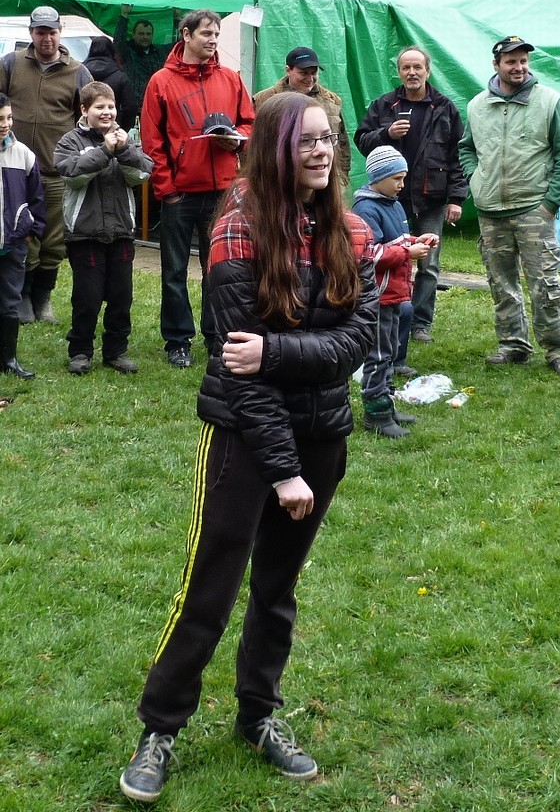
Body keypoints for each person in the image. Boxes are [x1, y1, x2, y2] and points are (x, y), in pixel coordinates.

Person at [117, 90, 378, 804]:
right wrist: (283, 470)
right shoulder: (237, 229)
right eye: (306, 140)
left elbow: (359, 341)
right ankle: (160, 726)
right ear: (274, 149)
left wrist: (278, 351)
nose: (321, 151)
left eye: (328, 139)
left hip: (324, 432)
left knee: (277, 589)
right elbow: (240, 370)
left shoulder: (353, 232)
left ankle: (258, 715)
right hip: (242, 435)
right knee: (210, 587)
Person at [140, 10, 255, 368]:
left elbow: (249, 123)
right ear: (186, 35)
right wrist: (167, 188)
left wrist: (237, 141)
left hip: (222, 192)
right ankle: (177, 341)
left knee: (218, 269)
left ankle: (217, 337)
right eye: (206, 33)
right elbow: (151, 140)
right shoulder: (161, 81)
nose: (213, 40)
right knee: (174, 270)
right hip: (180, 193)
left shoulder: (230, 79)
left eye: (216, 34)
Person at [459, 35, 560, 375]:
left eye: (523, 61)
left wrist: (551, 203)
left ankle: (556, 350)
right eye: (511, 61)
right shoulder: (477, 106)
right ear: (496, 65)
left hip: (533, 209)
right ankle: (513, 345)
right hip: (491, 211)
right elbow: (466, 147)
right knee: (501, 284)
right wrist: (475, 179)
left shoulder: (550, 101)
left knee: (546, 284)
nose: (519, 67)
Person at [354, 45, 467, 344]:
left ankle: (420, 323)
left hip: (431, 199)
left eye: (418, 67)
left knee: (429, 265)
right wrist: (386, 134)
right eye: (406, 67)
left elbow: (458, 156)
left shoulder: (445, 107)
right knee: (389, 257)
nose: (412, 72)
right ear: (399, 72)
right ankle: (390, 314)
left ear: (428, 71)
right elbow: (362, 140)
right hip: (392, 201)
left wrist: (456, 198)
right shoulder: (384, 105)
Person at [0, 5, 92, 325]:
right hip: (14, 169)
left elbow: (88, 117)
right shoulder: (11, 64)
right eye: (40, 32)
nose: (47, 39)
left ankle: (43, 297)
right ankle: (23, 296)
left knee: (53, 239)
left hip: (55, 172)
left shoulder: (78, 71)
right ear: (31, 33)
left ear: (60, 33)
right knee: (21, 234)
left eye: (52, 32)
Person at [54, 81, 153, 375]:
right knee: (87, 298)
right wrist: (105, 151)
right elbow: (72, 174)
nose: (107, 112)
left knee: (121, 297)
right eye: (99, 107)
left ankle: (116, 351)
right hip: (85, 234)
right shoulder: (70, 141)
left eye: (111, 106)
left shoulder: (126, 140)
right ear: (84, 110)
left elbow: (142, 173)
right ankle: (80, 351)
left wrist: (122, 150)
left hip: (120, 230)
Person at [351, 146, 438, 438]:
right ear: (378, 177)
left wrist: (417, 239)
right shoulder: (366, 209)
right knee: (377, 356)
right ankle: (375, 415)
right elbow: (368, 254)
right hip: (376, 297)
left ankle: (387, 406)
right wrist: (407, 252)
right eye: (396, 178)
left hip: (394, 295)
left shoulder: (393, 204)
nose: (402, 184)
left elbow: (397, 240)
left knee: (388, 353)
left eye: (403, 177)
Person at [253, 47, 349, 185]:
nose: (309, 79)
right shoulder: (264, 100)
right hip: (277, 180)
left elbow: (342, 143)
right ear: (288, 70)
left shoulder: (331, 101)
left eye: (314, 72)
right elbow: (255, 145)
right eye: (303, 73)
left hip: (323, 177)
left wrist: (341, 179)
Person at [0, 93, 45, 379]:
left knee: (10, 301)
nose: (5, 124)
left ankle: (9, 358)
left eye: (9, 118)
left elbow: (37, 197)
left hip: (13, 243)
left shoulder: (23, 154)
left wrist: (31, 229)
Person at [113, 9, 171, 112]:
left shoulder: (159, 52)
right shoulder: (127, 51)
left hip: (157, 106)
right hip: (134, 109)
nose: (145, 37)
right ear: (133, 34)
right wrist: (124, 15)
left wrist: (178, 19)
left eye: (148, 34)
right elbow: (118, 41)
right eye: (141, 34)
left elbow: (180, 44)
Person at [83, 36, 138, 130]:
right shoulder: (121, 76)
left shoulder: (80, 73)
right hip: (112, 127)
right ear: (112, 51)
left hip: (86, 128)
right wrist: (123, 128)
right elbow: (130, 107)